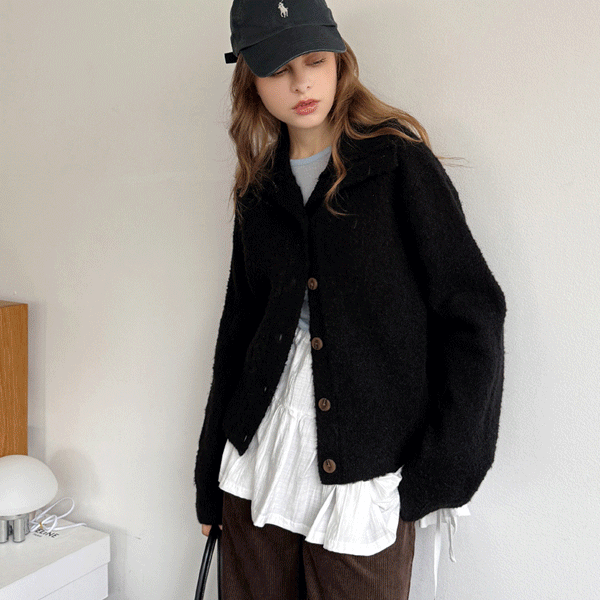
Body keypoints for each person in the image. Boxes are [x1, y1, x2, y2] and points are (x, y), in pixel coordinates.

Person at [194, 0, 506, 598]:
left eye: (314, 60)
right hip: (257, 463)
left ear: (340, 60)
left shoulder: (397, 165)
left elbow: (473, 313)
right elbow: (238, 330)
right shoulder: (260, 187)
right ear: (250, 79)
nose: (301, 83)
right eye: (277, 68)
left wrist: (447, 465)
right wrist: (210, 475)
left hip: (366, 471)